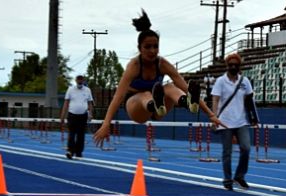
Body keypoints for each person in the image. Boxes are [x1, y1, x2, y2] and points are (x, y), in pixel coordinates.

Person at [93, 10, 222, 146]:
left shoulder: (163, 64)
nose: (152, 51)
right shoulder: (135, 65)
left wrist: (211, 114)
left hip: (160, 110)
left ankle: (187, 103)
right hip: (136, 107)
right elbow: (117, 97)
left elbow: (184, 86)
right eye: (148, 47)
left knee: (171, 87)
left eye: (156, 46)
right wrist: (106, 124)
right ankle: (154, 104)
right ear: (140, 48)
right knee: (146, 93)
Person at [211, 52, 259, 191]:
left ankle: (239, 176)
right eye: (231, 65)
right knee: (227, 152)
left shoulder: (245, 81)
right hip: (225, 121)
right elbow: (215, 100)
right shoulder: (221, 81)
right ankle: (227, 178)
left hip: (241, 121)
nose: (233, 67)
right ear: (227, 66)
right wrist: (214, 117)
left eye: (236, 65)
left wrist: (254, 118)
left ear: (239, 66)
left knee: (246, 148)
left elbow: (250, 100)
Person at [60, 74, 94, 159]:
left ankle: (79, 152)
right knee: (71, 134)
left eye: (81, 79)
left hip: (83, 115)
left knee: (81, 135)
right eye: (78, 79)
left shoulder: (87, 90)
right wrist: (62, 116)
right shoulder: (70, 89)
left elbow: (90, 103)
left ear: (83, 80)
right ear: (76, 80)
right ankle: (70, 151)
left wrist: (90, 114)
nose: (80, 81)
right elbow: (66, 103)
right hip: (72, 115)